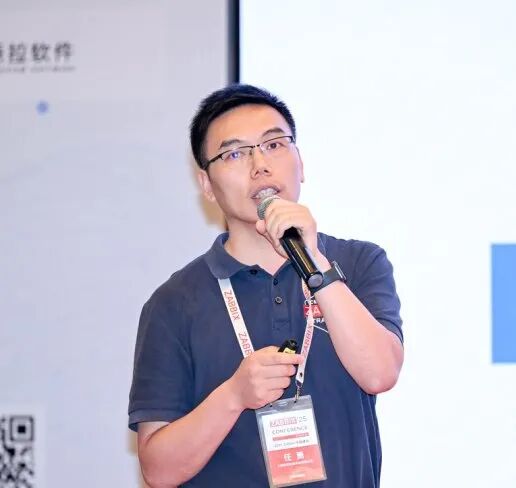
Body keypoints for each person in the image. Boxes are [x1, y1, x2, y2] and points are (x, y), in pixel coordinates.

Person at [128, 84, 404, 487]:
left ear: (300, 162)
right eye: (235, 153)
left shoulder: (359, 263)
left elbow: (379, 373)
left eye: (274, 145)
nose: (260, 165)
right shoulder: (174, 303)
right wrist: (233, 396)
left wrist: (316, 262)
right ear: (207, 185)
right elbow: (159, 470)